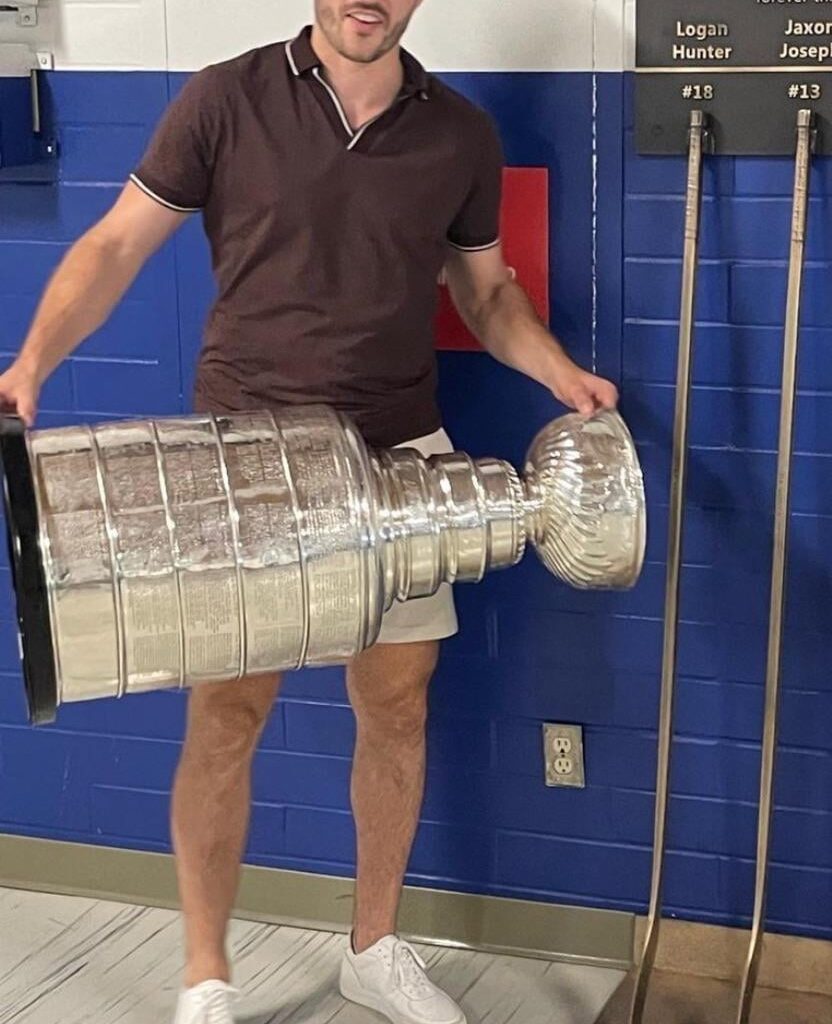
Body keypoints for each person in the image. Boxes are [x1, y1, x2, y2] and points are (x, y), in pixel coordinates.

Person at [0, 3, 618, 1023]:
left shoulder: (460, 133)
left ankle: (373, 951)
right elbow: (115, 245)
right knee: (226, 716)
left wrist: (560, 375)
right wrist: (31, 363)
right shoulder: (224, 98)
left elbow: (486, 292)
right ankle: (205, 976)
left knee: (397, 707)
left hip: (400, 455)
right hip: (247, 464)